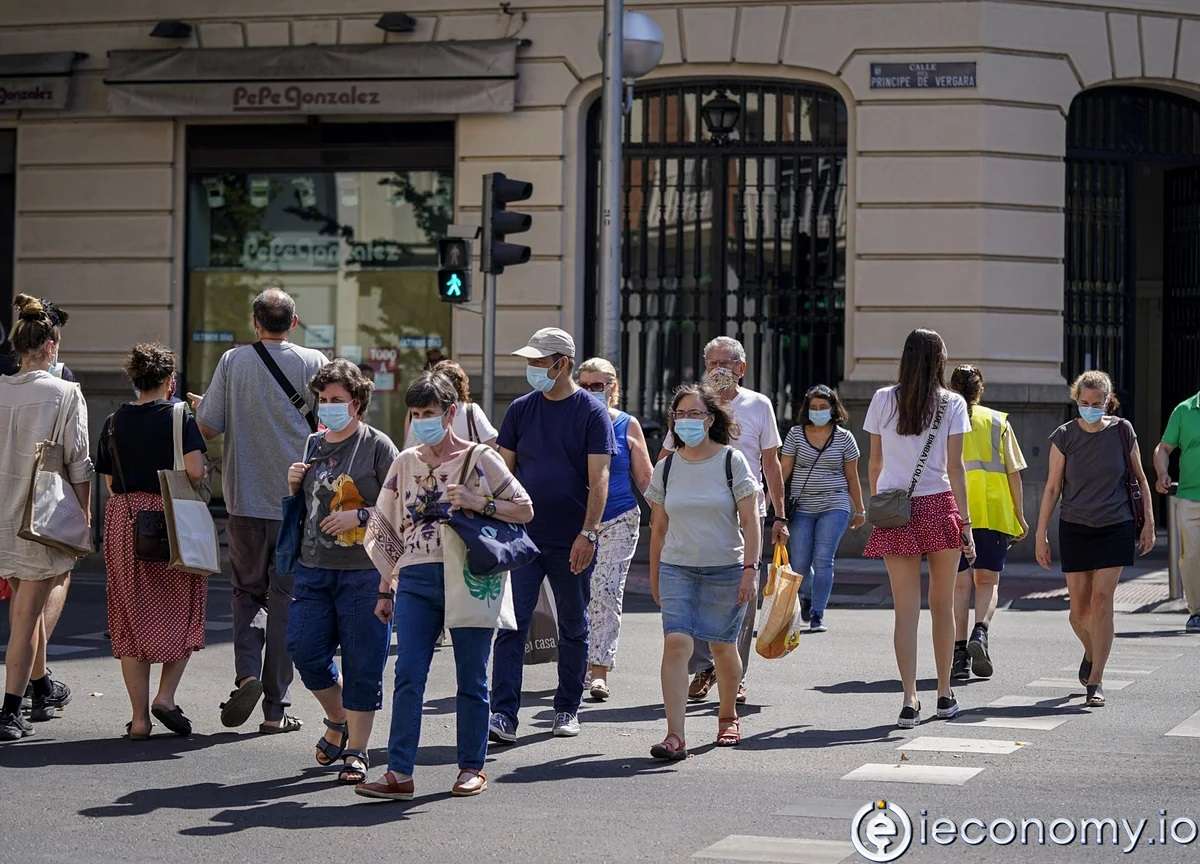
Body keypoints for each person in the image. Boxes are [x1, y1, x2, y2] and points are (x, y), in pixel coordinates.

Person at [356, 372, 533, 799]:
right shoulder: (405, 462)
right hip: (416, 577)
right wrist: (385, 587)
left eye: (430, 414)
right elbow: (389, 527)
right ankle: (399, 772)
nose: (422, 422)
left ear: (451, 413)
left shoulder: (479, 458)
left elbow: (524, 509)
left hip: (469, 576)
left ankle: (471, 766)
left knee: (472, 677)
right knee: (408, 673)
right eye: (415, 414)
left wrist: (477, 501)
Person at [190, 286, 326, 734]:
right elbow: (329, 429)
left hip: (244, 500)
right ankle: (275, 709)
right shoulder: (314, 363)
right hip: (295, 504)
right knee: (285, 598)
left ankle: (247, 673)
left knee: (247, 592)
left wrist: (202, 408)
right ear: (294, 320)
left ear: (255, 322)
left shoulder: (233, 362)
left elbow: (208, 425)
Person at [488, 327, 614, 743]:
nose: (532, 369)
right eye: (531, 362)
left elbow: (600, 480)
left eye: (539, 362)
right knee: (511, 625)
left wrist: (589, 534)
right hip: (522, 539)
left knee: (573, 625)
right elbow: (503, 471)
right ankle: (503, 713)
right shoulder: (521, 409)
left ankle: (566, 708)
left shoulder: (591, 413)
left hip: (571, 538)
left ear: (562, 364)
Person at [284, 360, 398, 783]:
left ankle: (357, 750)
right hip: (313, 568)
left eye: (337, 400)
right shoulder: (313, 444)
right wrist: (293, 483)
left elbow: (400, 509)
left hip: (364, 572)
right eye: (323, 400)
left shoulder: (377, 446)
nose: (328, 407)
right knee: (304, 649)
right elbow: (308, 506)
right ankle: (337, 718)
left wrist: (361, 516)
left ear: (357, 403)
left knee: (364, 661)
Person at [658, 337, 786, 705]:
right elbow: (667, 455)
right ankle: (705, 667)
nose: (718, 369)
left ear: (741, 369)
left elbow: (771, 463)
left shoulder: (758, 405)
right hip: (698, 512)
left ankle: (735, 673)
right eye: (711, 361)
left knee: (740, 597)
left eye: (726, 363)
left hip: (745, 512)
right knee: (693, 594)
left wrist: (780, 514)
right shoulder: (693, 408)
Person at [96, 343, 208, 739]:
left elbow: (110, 483)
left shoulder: (112, 422)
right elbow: (194, 471)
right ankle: (166, 695)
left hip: (125, 521)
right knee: (183, 605)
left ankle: (139, 719)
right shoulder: (181, 417)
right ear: (169, 380)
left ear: (134, 379)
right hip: (173, 518)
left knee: (129, 615)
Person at [863, 329, 974, 729]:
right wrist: (966, 522)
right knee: (942, 605)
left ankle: (909, 698)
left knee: (904, 610)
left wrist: (880, 501)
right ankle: (944, 693)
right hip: (938, 503)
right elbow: (956, 467)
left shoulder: (881, 400)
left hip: (896, 506)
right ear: (939, 359)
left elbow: (874, 464)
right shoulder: (953, 403)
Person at [646, 385, 761, 758]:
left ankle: (727, 716)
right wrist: (654, 574)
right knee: (676, 643)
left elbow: (750, 521)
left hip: (726, 568)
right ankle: (675, 736)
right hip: (677, 568)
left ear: (710, 420)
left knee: (722, 647)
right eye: (680, 415)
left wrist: (750, 570)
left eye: (695, 414)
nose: (687, 422)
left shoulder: (732, 461)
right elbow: (658, 527)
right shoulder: (666, 467)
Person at [0, 295, 92, 741]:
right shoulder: (64, 393)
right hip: (38, 513)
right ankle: (10, 709)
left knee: (25, 608)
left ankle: (39, 688)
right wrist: (85, 514)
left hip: (2, 509)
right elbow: (78, 463)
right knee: (25, 616)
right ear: (52, 346)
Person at [1035, 371, 1155, 707]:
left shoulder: (1122, 431)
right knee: (1078, 611)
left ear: (1107, 401)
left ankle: (1097, 679)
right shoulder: (1064, 436)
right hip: (1075, 527)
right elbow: (1052, 487)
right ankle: (1092, 651)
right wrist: (1040, 534)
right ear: (1077, 400)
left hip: (1116, 525)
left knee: (1103, 601)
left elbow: (1140, 479)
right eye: (1084, 403)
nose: (1090, 408)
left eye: (1097, 403)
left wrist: (1148, 522)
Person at [577, 357, 653, 700]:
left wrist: (669, 517)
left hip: (620, 517)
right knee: (577, 594)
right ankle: (575, 665)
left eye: (601, 385)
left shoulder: (627, 424)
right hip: (576, 521)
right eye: (587, 385)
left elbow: (646, 477)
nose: (594, 391)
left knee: (606, 590)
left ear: (614, 388)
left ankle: (598, 671)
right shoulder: (569, 422)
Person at [948, 365, 1029, 680]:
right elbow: (1014, 474)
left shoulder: (942, 419)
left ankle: (958, 658)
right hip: (994, 511)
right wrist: (1020, 516)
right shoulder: (998, 421)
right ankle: (980, 633)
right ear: (980, 390)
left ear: (950, 388)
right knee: (988, 582)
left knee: (959, 586)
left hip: (955, 511)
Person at [780, 384, 864, 633]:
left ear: (833, 409)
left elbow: (852, 477)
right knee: (801, 562)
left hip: (834, 504)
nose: (818, 411)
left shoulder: (844, 437)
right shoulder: (795, 434)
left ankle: (817, 613)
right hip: (802, 506)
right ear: (807, 409)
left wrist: (860, 509)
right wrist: (769, 499)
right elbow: (783, 471)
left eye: (823, 407)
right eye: (813, 407)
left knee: (824, 558)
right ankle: (805, 596)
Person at [1154, 387, 1200, 633]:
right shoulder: (1184, 410)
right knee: (1191, 557)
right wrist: (1162, 473)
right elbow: (1163, 448)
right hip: (1190, 497)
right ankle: (1197, 612)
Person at [403, 359, 498, 448]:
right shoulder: (416, 410)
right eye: (416, 414)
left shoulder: (471, 411)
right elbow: (409, 448)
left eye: (429, 413)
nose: (421, 418)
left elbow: (492, 446)